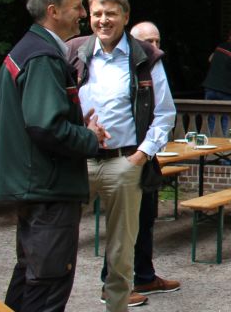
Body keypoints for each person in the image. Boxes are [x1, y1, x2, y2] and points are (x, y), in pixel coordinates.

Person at [0, 0, 107, 312]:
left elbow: (37, 119)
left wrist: (75, 123)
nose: (83, 13)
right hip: (49, 188)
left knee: (30, 275)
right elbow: (45, 127)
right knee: (48, 284)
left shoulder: (31, 49)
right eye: (77, 6)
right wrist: (89, 137)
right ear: (54, 11)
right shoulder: (43, 57)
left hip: (36, 184)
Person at [69, 0, 177, 312]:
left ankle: (116, 307)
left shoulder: (144, 57)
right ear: (89, 16)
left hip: (123, 162)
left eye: (111, 14)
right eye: (97, 14)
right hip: (79, 162)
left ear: (125, 17)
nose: (103, 20)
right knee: (58, 239)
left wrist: (141, 155)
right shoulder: (73, 52)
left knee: (120, 250)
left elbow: (165, 113)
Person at [92, 21, 180, 305]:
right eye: (148, 42)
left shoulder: (155, 66)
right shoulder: (123, 67)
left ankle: (144, 275)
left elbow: (164, 112)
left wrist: (145, 153)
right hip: (123, 157)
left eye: (157, 40)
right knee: (123, 227)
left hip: (145, 156)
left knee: (145, 218)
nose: (154, 47)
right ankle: (113, 284)